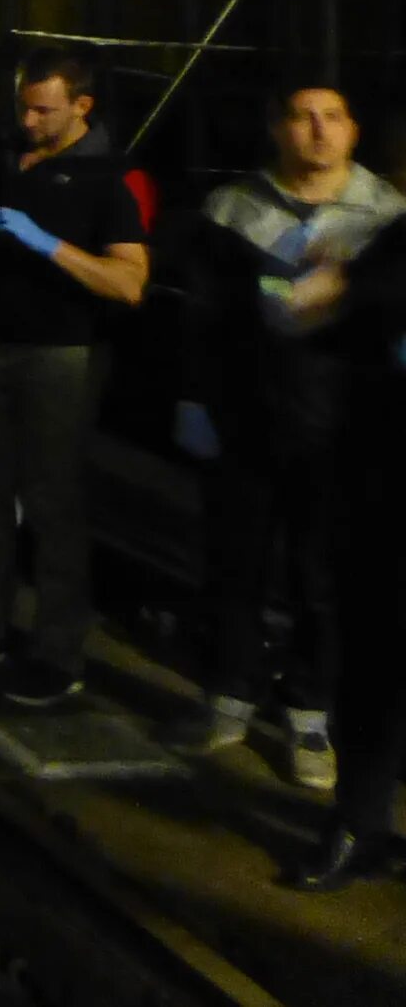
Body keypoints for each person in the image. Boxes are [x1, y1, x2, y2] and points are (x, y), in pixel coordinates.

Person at [168, 82, 404, 787]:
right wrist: (194, 400)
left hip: (342, 433)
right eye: (302, 116)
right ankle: (230, 697)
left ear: (354, 131)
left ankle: (309, 718)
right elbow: (201, 320)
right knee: (234, 566)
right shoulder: (232, 210)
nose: (318, 131)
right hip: (247, 422)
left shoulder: (387, 217)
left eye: (333, 117)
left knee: (320, 580)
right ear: (277, 128)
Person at [0, 45, 150, 706]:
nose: (28, 119)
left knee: (53, 501)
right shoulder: (0, 155)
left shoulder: (111, 177)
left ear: (82, 106)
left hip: (60, 355)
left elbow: (130, 281)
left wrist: (48, 244)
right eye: (22, 105)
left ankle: (58, 650)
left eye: (42, 110)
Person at [276, 211, 406, 889]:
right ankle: (360, 823)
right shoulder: (391, 240)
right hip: (379, 480)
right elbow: (304, 315)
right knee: (372, 661)